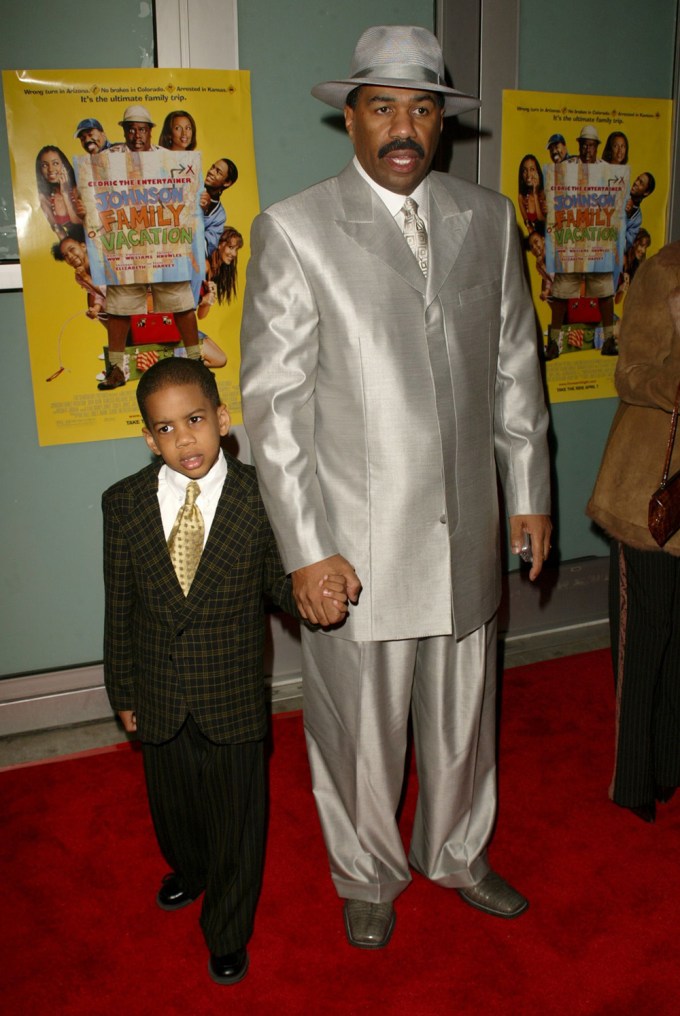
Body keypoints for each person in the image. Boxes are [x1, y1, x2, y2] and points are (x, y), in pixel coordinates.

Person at [240, 25, 552, 950]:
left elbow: (514, 367)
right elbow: (275, 411)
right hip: (355, 547)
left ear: (443, 124)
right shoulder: (295, 230)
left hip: (465, 529)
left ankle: (457, 851)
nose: (405, 127)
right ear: (351, 119)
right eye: (384, 108)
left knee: (465, 714)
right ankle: (367, 870)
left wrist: (528, 490)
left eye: (423, 109)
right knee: (359, 728)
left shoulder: (488, 219)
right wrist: (305, 550)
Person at [102, 356, 348, 983]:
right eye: (164, 428)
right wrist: (122, 689)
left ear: (222, 419)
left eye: (194, 420)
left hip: (232, 691)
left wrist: (310, 594)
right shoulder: (123, 504)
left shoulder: (261, 495)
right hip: (158, 692)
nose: (183, 438)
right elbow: (120, 605)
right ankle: (190, 869)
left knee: (239, 821)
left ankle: (229, 928)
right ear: (146, 436)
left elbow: (276, 578)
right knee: (174, 810)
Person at [586, 241, 680, 823]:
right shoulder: (664, 271)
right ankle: (632, 779)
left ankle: (670, 764)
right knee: (644, 638)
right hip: (648, 488)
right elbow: (632, 373)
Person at [96, 105, 201, 390]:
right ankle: (116, 368)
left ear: (151, 131)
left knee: (181, 301)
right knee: (119, 305)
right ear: (123, 131)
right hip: (127, 244)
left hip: (161, 242)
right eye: (131, 128)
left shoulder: (167, 159)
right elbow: (93, 192)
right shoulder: (108, 159)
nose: (136, 134)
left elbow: (187, 195)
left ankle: (196, 360)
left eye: (142, 129)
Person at [548, 124, 616, 357]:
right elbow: (554, 195)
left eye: (591, 145)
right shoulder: (567, 167)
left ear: (597, 147)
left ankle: (609, 340)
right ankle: (554, 342)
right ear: (578, 145)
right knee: (561, 293)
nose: (587, 148)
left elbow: (615, 202)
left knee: (604, 292)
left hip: (596, 239)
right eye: (584, 144)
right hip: (572, 240)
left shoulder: (607, 170)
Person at [35, 145, 82, 239]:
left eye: (55, 163)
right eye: (44, 165)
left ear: (64, 165)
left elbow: (78, 221)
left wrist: (65, 193)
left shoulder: (79, 187)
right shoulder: (45, 198)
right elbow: (59, 232)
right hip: (74, 249)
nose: (50, 169)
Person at [198, 226, 243, 319]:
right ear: (218, 244)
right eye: (231, 247)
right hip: (167, 315)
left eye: (236, 249)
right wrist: (201, 300)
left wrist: (210, 295)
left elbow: (201, 315)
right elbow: (178, 294)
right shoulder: (204, 266)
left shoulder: (213, 272)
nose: (234, 253)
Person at [200, 157, 239, 257]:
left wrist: (200, 212)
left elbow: (206, 248)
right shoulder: (189, 188)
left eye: (218, 172)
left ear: (227, 183)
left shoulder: (220, 216)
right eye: (212, 167)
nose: (211, 172)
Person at [517, 154, 547, 236]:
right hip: (537, 242)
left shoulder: (545, 193)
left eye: (532, 169)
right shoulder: (521, 198)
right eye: (525, 170)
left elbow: (542, 220)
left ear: (538, 172)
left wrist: (535, 193)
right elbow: (528, 226)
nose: (528, 175)